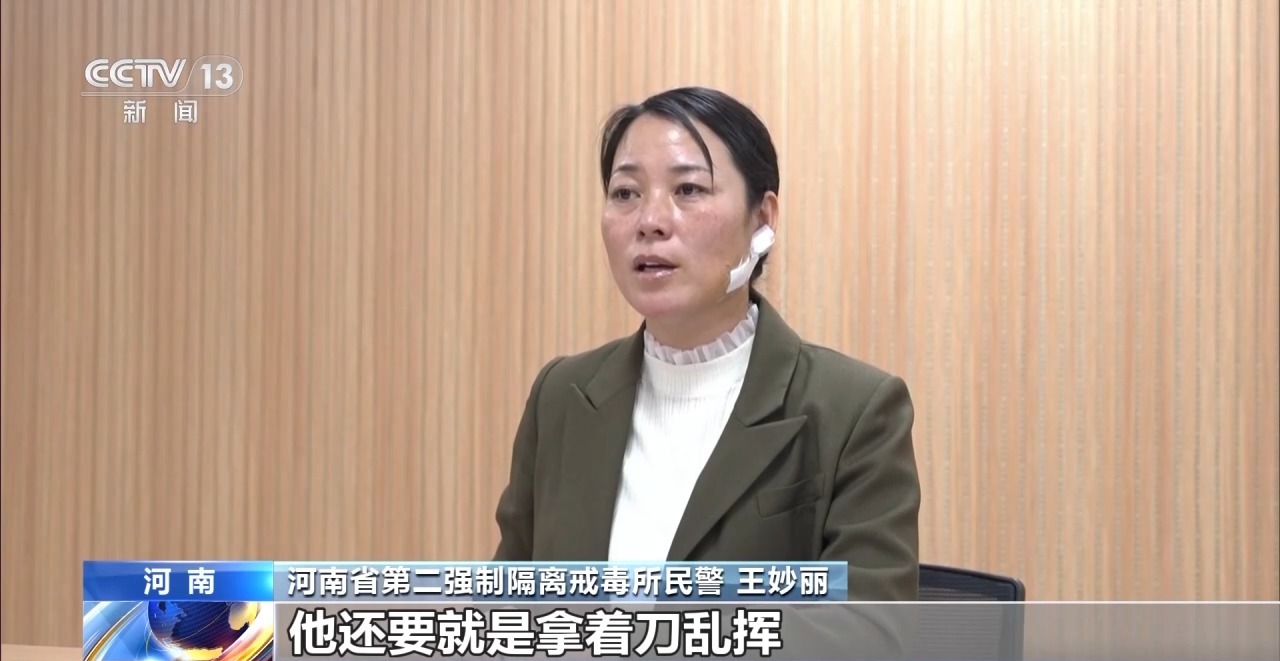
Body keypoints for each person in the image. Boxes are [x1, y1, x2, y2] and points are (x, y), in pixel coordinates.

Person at [493, 86, 921, 602]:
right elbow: (505, 606)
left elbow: (868, 631)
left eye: (689, 189)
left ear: (763, 219)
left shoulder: (854, 410)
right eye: (625, 193)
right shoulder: (561, 396)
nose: (650, 221)